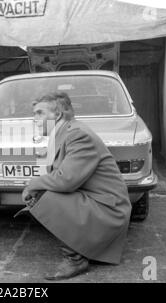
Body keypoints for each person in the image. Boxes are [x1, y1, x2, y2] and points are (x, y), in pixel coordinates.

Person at [21, 92, 132, 280]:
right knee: (43, 191)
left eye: (40, 113)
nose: (35, 119)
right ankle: (83, 246)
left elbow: (66, 180)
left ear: (57, 115)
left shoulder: (77, 135)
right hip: (97, 202)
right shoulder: (66, 132)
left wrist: (32, 184)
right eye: (34, 114)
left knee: (42, 195)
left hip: (108, 210)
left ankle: (75, 259)